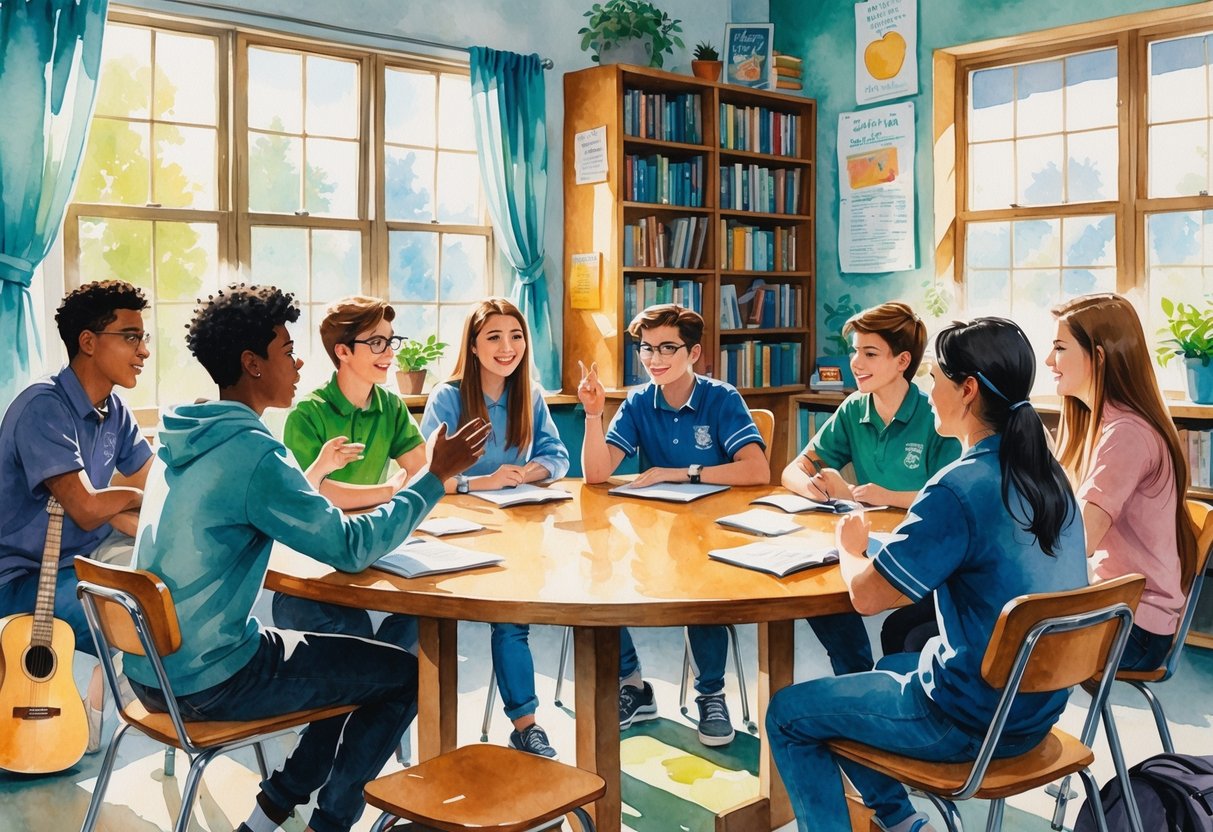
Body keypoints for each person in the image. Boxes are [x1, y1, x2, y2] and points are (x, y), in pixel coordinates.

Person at [124, 284, 490, 832]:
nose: (298, 364)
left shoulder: (182, 437)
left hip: (152, 670)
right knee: (404, 674)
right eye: (287, 351)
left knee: (347, 665)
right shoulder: (253, 452)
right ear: (252, 364)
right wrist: (434, 476)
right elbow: (349, 548)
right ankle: (330, 823)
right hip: (209, 679)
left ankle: (275, 806)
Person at [766, 317, 1087, 832]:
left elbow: (867, 597)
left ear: (967, 389)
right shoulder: (1049, 475)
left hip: (969, 721)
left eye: (934, 378)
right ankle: (901, 821)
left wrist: (850, 547)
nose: (929, 390)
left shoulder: (958, 486)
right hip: (1035, 712)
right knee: (888, 664)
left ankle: (894, 816)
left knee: (788, 714)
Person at [578, 303, 768, 747]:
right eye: (646, 348)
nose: (654, 358)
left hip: (714, 535)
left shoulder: (721, 398)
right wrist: (592, 414)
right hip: (655, 534)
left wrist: (683, 473)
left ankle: (711, 694)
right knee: (596, 574)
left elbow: (757, 469)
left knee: (700, 578)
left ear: (693, 352)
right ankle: (632, 683)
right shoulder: (639, 401)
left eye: (667, 348)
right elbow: (597, 474)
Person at [0, 279, 154, 752]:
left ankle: (105, 693)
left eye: (143, 337)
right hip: (26, 578)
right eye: (131, 337)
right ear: (88, 342)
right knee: (140, 615)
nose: (144, 351)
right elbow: (87, 509)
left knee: (170, 589)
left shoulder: (114, 409)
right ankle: (96, 709)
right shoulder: (43, 407)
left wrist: (132, 507)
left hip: (83, 561)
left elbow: (154, 493)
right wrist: (129, 498)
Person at [420, 297, 570, 759]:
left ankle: (526, 726)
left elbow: (558, 456)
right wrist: (481, 482)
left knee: (517, 618)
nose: (508, 348)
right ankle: (435, 737)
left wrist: (528, 473)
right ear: (473, 345)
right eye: (494, 337)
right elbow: (427, 476)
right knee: (446, 622)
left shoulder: (530, 394)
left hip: (517, 532)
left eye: (516, 336)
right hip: (459, 533)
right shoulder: (448, 397)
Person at [782, 302, 961, 671]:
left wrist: (885, 496)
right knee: (817, 591)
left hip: (923, 548)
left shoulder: (935, 414)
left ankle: (874, 684)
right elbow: (794, 470)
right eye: (855, 351)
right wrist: (815, 488)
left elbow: (953, 498)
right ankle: (857, 675)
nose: (856, 363)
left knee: (865, 599)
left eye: (870, 353)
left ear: (902, 361)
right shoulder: (854, 408)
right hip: (869, 542)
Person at [1048, 293, 1197, 670]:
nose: (1049, 360)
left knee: (985, 632)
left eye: (1060, 348)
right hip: (1119, 610)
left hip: (1134, 626)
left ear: (1098, 357)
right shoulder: (1107, 425)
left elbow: (1079, 541)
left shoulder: (1126, 434)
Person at [275, 296, 427, 655]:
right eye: (376, 342)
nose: (389, 352)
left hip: (373, 549)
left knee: (427, 617)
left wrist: (396, 490)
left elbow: (421, 470)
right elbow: (318, 492)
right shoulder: (307, 414)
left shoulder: (391, 406)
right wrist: (387, 492)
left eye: (390, 341)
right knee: (354, 637)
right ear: (342, 351)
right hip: (315, 562)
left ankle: (377, 669)